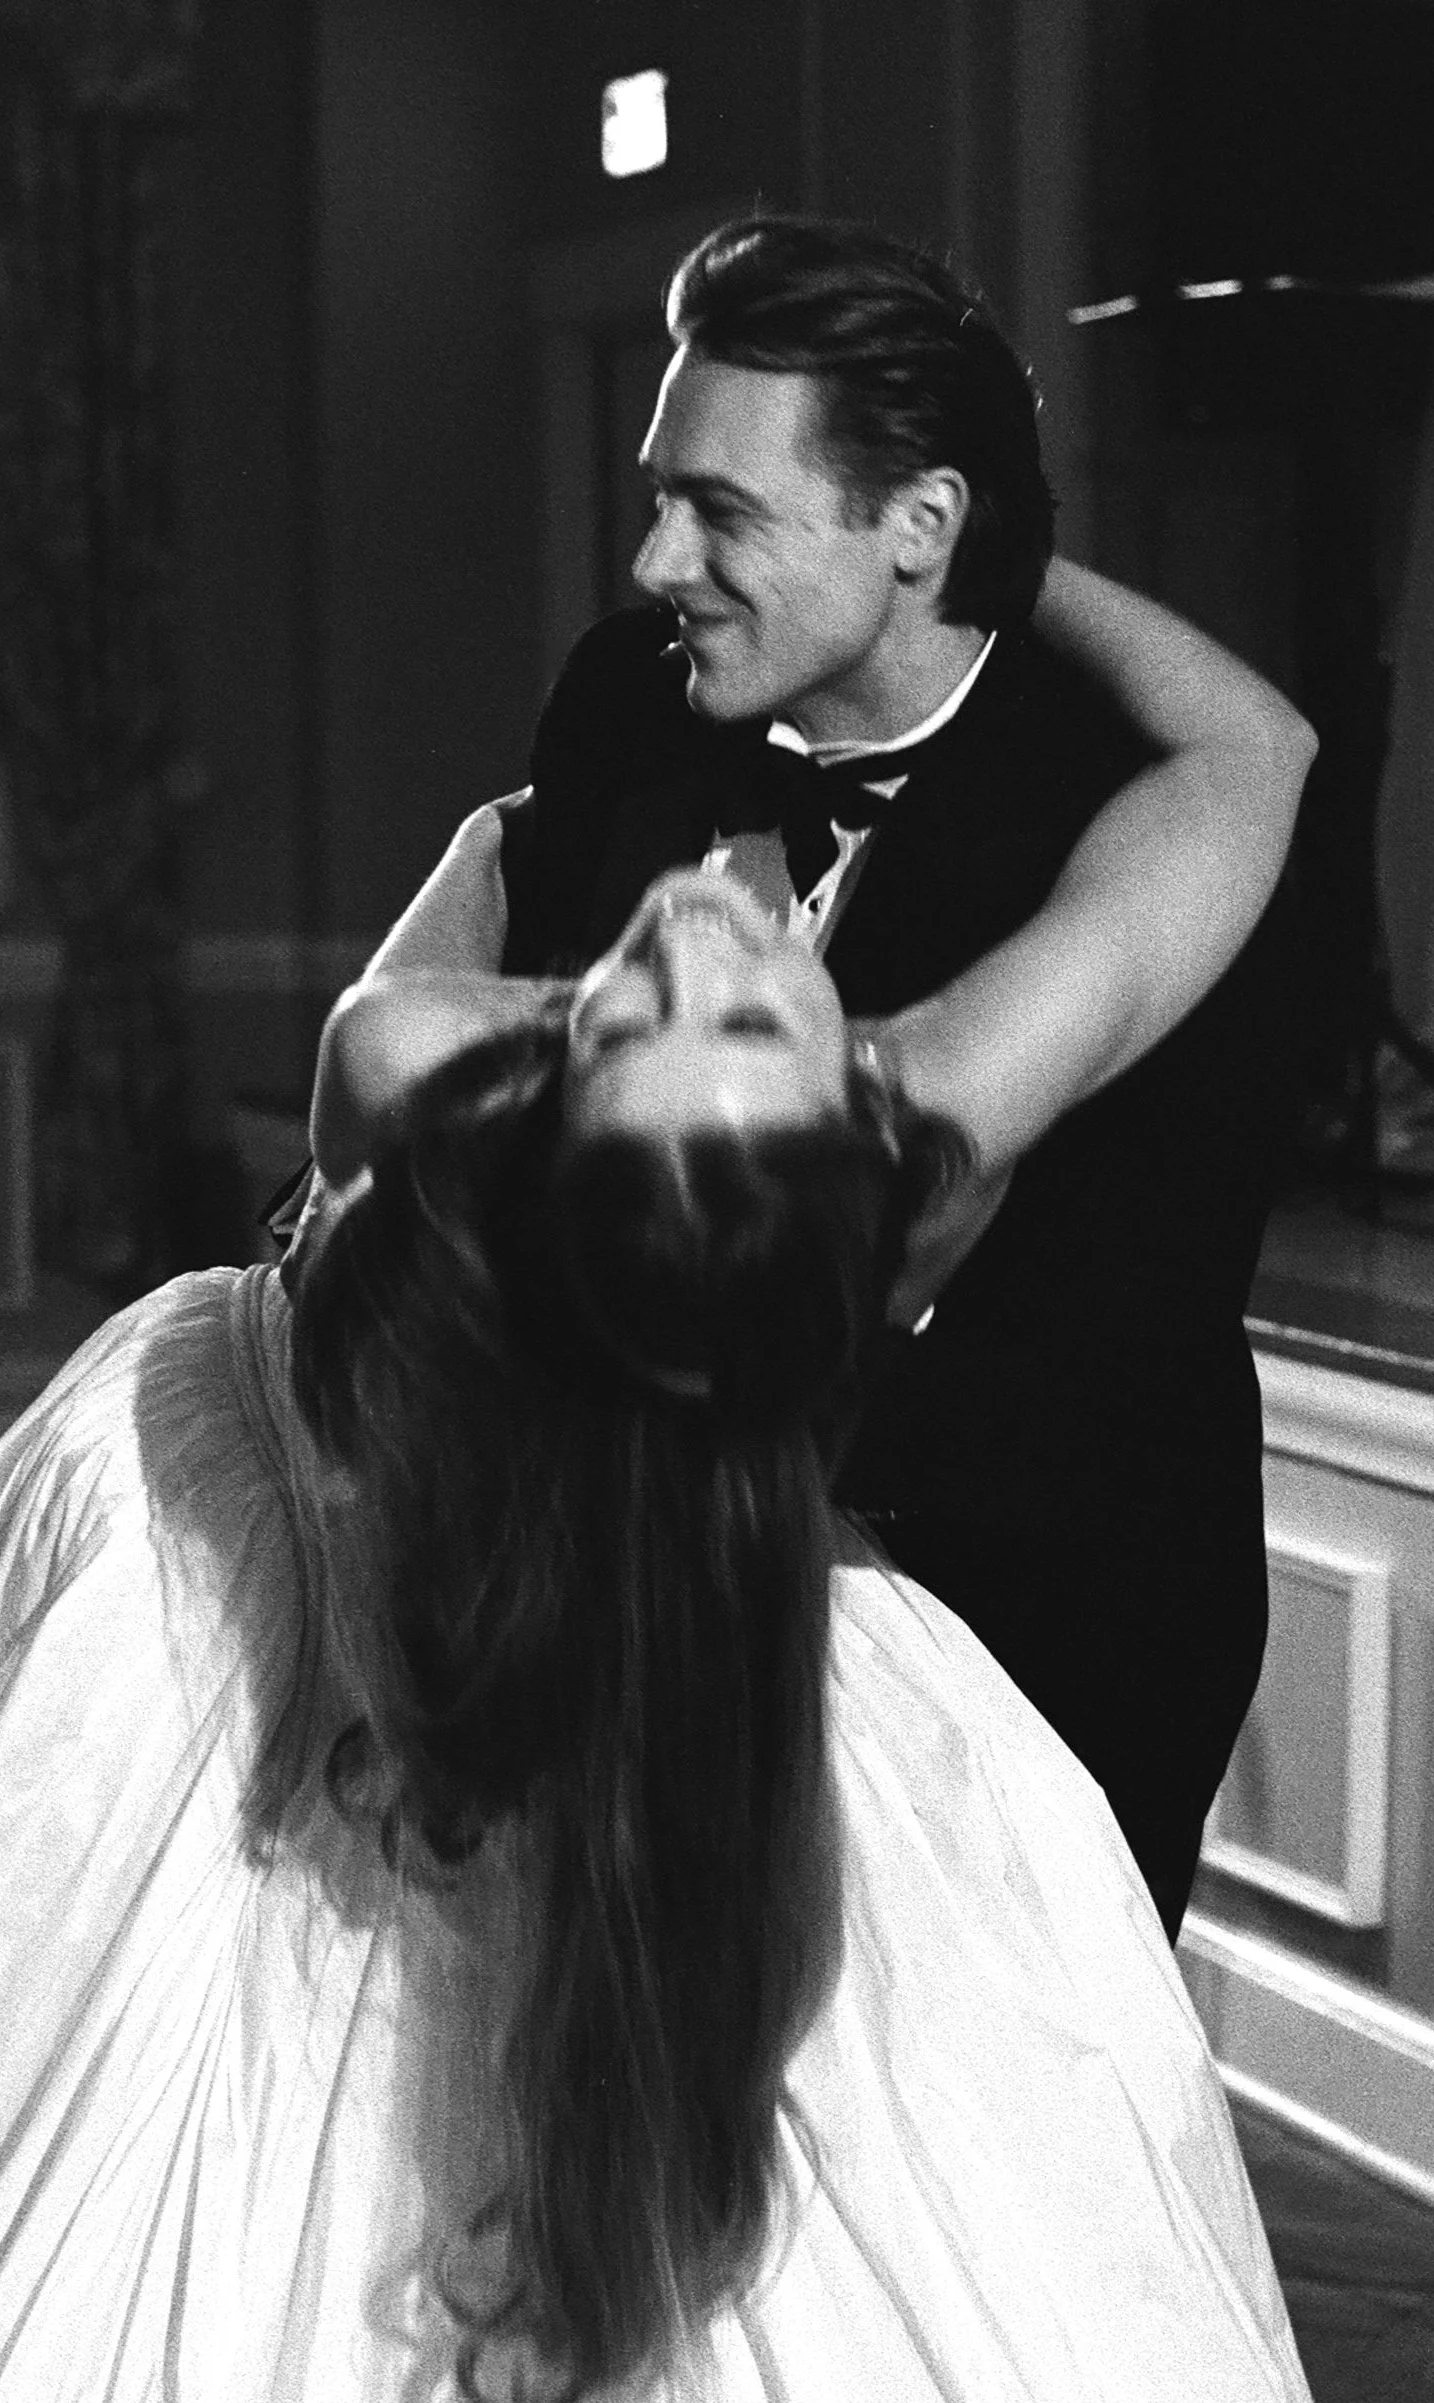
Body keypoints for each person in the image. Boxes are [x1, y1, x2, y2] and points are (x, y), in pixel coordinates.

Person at [0, 867, 1339, 2403]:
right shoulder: (666, 1284)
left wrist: (548, 871)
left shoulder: (439, 1135)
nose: (686, 950)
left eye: (694, 1015)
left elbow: (1225, 797)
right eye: (654, 1012)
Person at [389, 212, 1317, 1934]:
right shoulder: (626, 699)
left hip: (1034, 1612)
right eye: (661, 492)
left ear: (922, 526)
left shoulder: (1125, 795)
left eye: (720, 509)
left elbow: (1099, 1321)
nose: (656, 558)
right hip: (637, 1589)